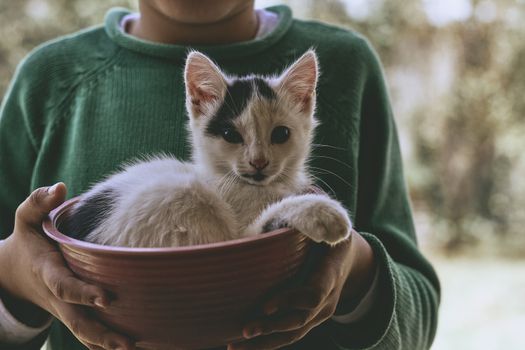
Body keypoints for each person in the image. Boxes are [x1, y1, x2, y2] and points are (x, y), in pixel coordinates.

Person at [0, 1, 440, 349]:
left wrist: (357, 270)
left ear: (306, 106)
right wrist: (15, 278)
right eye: (234, 136)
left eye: (279, 136)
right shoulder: (50, 82)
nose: (259, 160)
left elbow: (417, 321)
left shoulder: (348, 66)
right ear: (198, 101)